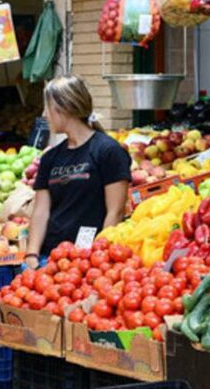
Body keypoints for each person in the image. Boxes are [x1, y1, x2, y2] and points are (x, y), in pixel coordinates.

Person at [25, 76, 131, 270]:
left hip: (89, 260)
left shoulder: (108, 151)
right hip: (51, 259)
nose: (44, 114)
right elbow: (40, 211)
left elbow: (115, 212)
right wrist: (32, 255)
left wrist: (99, 257)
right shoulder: (50, 158)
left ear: (62, 108)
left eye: (47, 107)